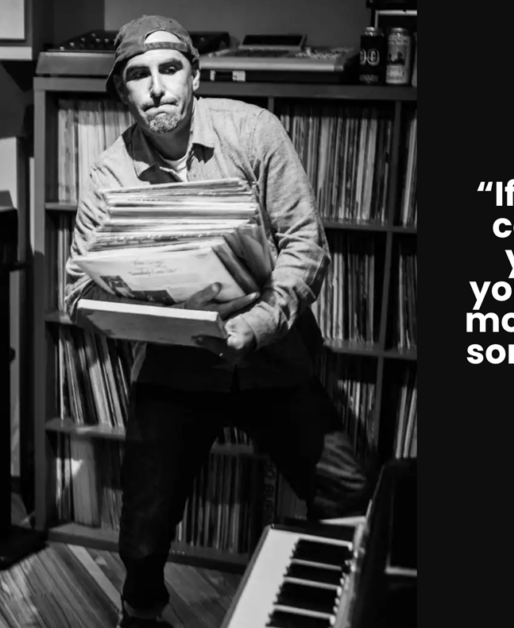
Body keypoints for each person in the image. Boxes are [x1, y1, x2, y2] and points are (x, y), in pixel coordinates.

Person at [63, 15, 372, 628]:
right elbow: (78, 290)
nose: (157, 87)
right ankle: (141, 615)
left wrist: (257, 324)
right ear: (123, 91)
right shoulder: (109, 175)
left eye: (170, 69)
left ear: (195, 75)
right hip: (174, 367)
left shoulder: (253, 131)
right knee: (142, 532)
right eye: (138, 75)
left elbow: (306, 243)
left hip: (268, 353)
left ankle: (352, 609)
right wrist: (136, 297)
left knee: (349, 494)